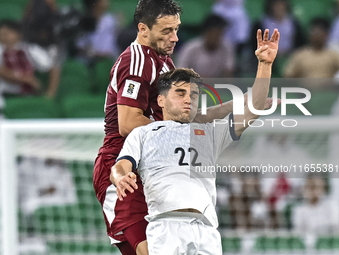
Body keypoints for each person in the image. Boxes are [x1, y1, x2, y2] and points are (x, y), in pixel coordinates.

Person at [93, 0, 245, 254]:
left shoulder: (165, 63)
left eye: (176, 29)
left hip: (154, 167)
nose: (175, 37)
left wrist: (234, 106)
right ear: (143, 29)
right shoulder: (136, 61)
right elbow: (129, 123)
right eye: (166, 31)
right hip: (125, 165)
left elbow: (182, 119)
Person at [110, 28, 280, 254]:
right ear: (160, 100)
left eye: (193, 95)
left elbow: (255, 107)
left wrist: (265, 65)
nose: (188, 100)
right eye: (180, 94)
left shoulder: (209, 133)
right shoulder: (144, 133)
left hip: (207, 229)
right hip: (165, 226)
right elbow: (120, 165)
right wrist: (120, 178)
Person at [0, 19, 53, 110]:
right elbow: (2, 71)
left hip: (29, 95)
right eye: (1, 34)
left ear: (18, 34)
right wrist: (27, 79)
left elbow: (52, 67)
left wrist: (50, 92)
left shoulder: (30, 49)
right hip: (5, 95)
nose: (3, 37)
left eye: (6, 34)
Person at [284, 17, 339, 82]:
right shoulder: (300, 54)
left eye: (319, 33)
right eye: (314, 33)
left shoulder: (332, 55)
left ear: (326, 35)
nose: (317, 36)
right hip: (306, 90)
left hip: (327, 90)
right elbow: (288, 75)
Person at [76, 0, 121, 65]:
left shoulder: (110, 19)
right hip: (88, 62)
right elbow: (80, 47)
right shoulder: (83, 21)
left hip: (109, 60)